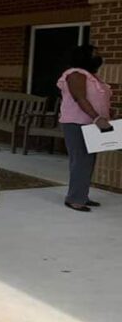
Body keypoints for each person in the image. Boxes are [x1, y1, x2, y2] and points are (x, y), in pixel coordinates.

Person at [57, 44, 112, 212]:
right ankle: (74, 199)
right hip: (77, 123)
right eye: (95, 53)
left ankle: (82, 195)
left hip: (92, 124)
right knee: (80, 161)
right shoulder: (75, 74)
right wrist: (97, 118)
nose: (98, 56)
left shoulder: (92, 76)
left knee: (88, 161)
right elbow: (80, 98)